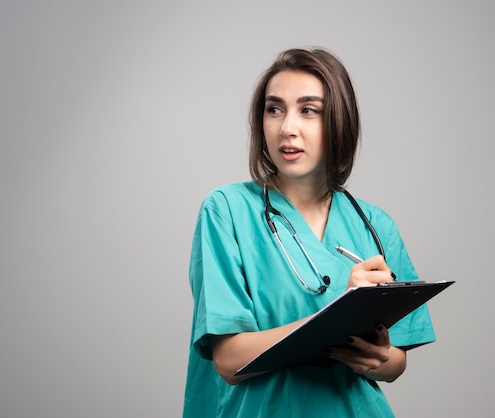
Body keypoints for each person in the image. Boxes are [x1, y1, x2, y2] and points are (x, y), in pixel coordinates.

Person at [183, 47, 435, 417]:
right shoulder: (227, 210)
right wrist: (338, 315)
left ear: (338, 122)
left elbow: (396, 363)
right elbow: (228, 361)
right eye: (274, 109)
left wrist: (378, 358)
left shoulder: (374, 224)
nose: (287, 127)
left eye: (308, 110)